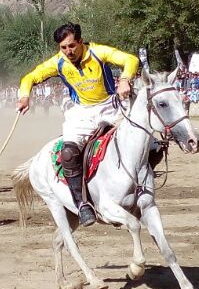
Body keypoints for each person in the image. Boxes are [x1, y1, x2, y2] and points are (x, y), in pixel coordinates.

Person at [17, 23, 138, 227]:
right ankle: (82, 204)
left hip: (111, 107)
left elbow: (130, 59)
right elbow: (30, 77)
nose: (68, 51)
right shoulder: (58, 62)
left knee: (148, 141)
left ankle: (142, 186)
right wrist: (24, 96)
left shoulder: (99, 52)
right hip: (82, 113)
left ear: (80, 42)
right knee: (68, 154)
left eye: (72, 46)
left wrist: (125, 79)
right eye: (63, 47)